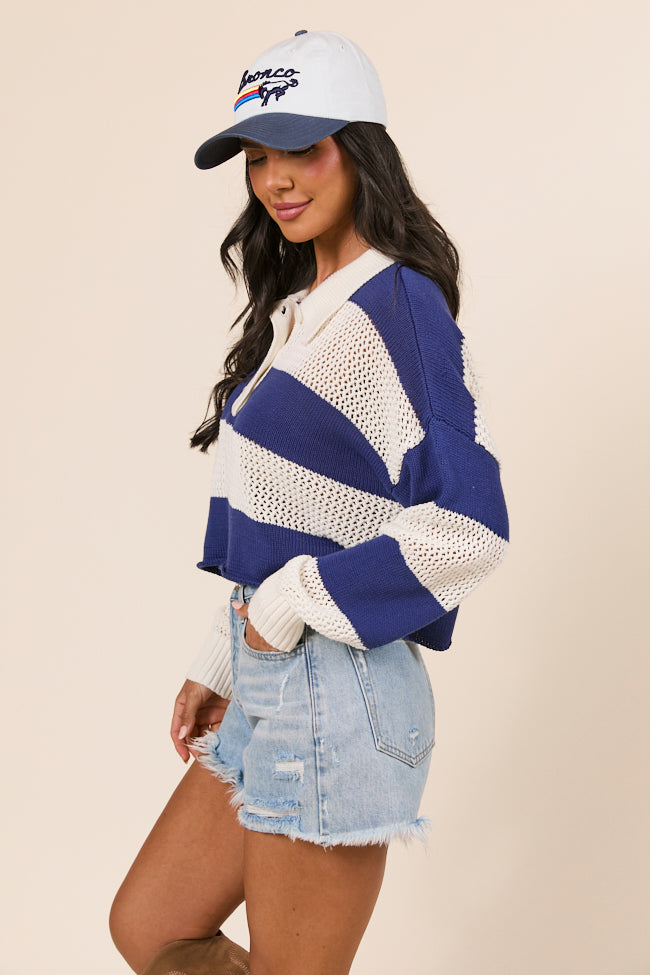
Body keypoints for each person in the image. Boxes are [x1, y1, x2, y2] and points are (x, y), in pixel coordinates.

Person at [109, 29, 509, 975]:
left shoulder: (398, 306)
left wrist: (284, 605)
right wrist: (226, 651)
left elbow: (468, 527)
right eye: (257, 158)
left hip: (339, 685)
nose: (276, 180)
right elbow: (304, 515)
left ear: (360, 149)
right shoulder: (307, 308)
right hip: (272, 676)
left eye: (303, 149)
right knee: (151, 926)